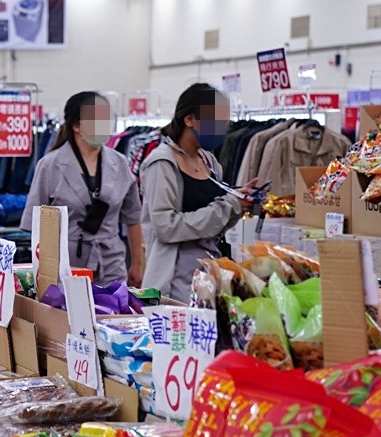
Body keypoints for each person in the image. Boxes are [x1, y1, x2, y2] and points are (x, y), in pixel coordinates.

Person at [139, 82, 258, 303]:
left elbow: (215, 224)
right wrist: (228, 205)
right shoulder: (161, 163)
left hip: (209, 273)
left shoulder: (209, 161)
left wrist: (239, 204)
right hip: (174, 281)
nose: (222, 126)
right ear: (189, 119)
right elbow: (166, 227)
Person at [20, 92, 144, 287]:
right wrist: (43, 271)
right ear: (77, 126)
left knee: (115, 314)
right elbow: (35, 225)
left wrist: (137, 264)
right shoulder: (50, 165)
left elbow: (133, 218)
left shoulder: (119, 163)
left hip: (111, 262)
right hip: (67, 264)